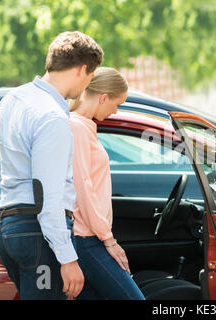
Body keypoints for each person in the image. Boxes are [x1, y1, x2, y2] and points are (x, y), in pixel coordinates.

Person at [0, 31, 103, 300]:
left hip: (7, 226)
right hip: (37, 232)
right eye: (90, 77)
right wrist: (67, 258)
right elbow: (47, 193)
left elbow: (1, 166)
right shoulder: (52, 116)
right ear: (82, 69)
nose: (88, 84)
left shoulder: (12, 100)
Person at [68, 67, 145, 300]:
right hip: (85, 239)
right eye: (117, 104)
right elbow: (83, 190)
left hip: (89, 237)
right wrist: (109, 240)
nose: (115, 111)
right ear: (103, 97)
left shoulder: (84, 127)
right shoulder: (76, 128)